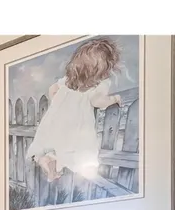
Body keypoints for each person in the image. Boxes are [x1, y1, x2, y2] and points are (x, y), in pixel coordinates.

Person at [26, 37, 123, 183]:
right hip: (76, 125)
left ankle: (46, 159)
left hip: (55, 121)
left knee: (51, 145)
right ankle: (59, 164)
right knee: (74, 151)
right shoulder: (100, 83)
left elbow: (52, 89)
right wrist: (115, 99)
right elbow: (97, 102)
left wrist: (57, 104)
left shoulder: (67, 80)